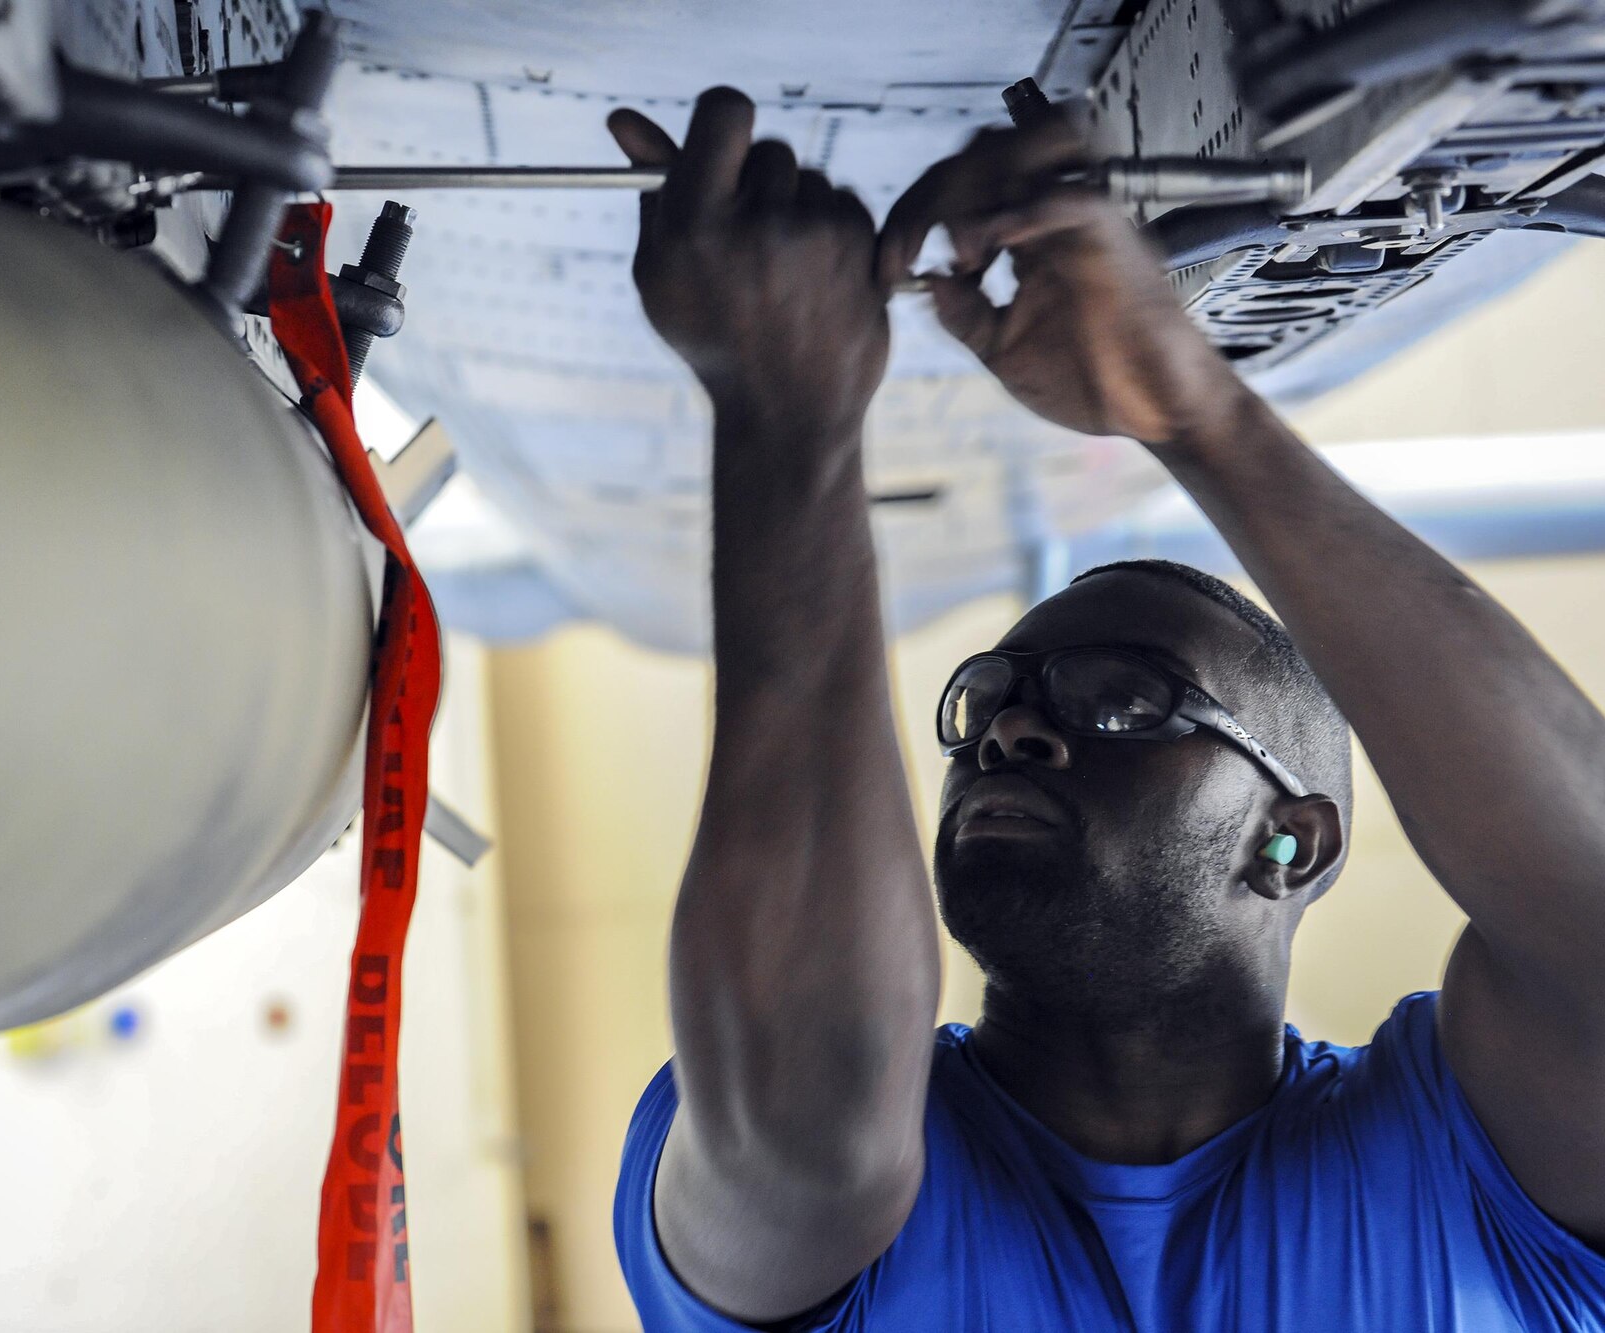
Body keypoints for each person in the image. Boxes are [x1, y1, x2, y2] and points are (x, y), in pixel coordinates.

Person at [602, 86, 1605, 1331]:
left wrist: (1196, 412)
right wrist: (787, 425)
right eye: (987, 704)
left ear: (1288, 840)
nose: (1009, 733)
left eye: (1124, 702)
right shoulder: (782, 1133)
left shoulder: (1460, 1167)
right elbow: (816, 1121)